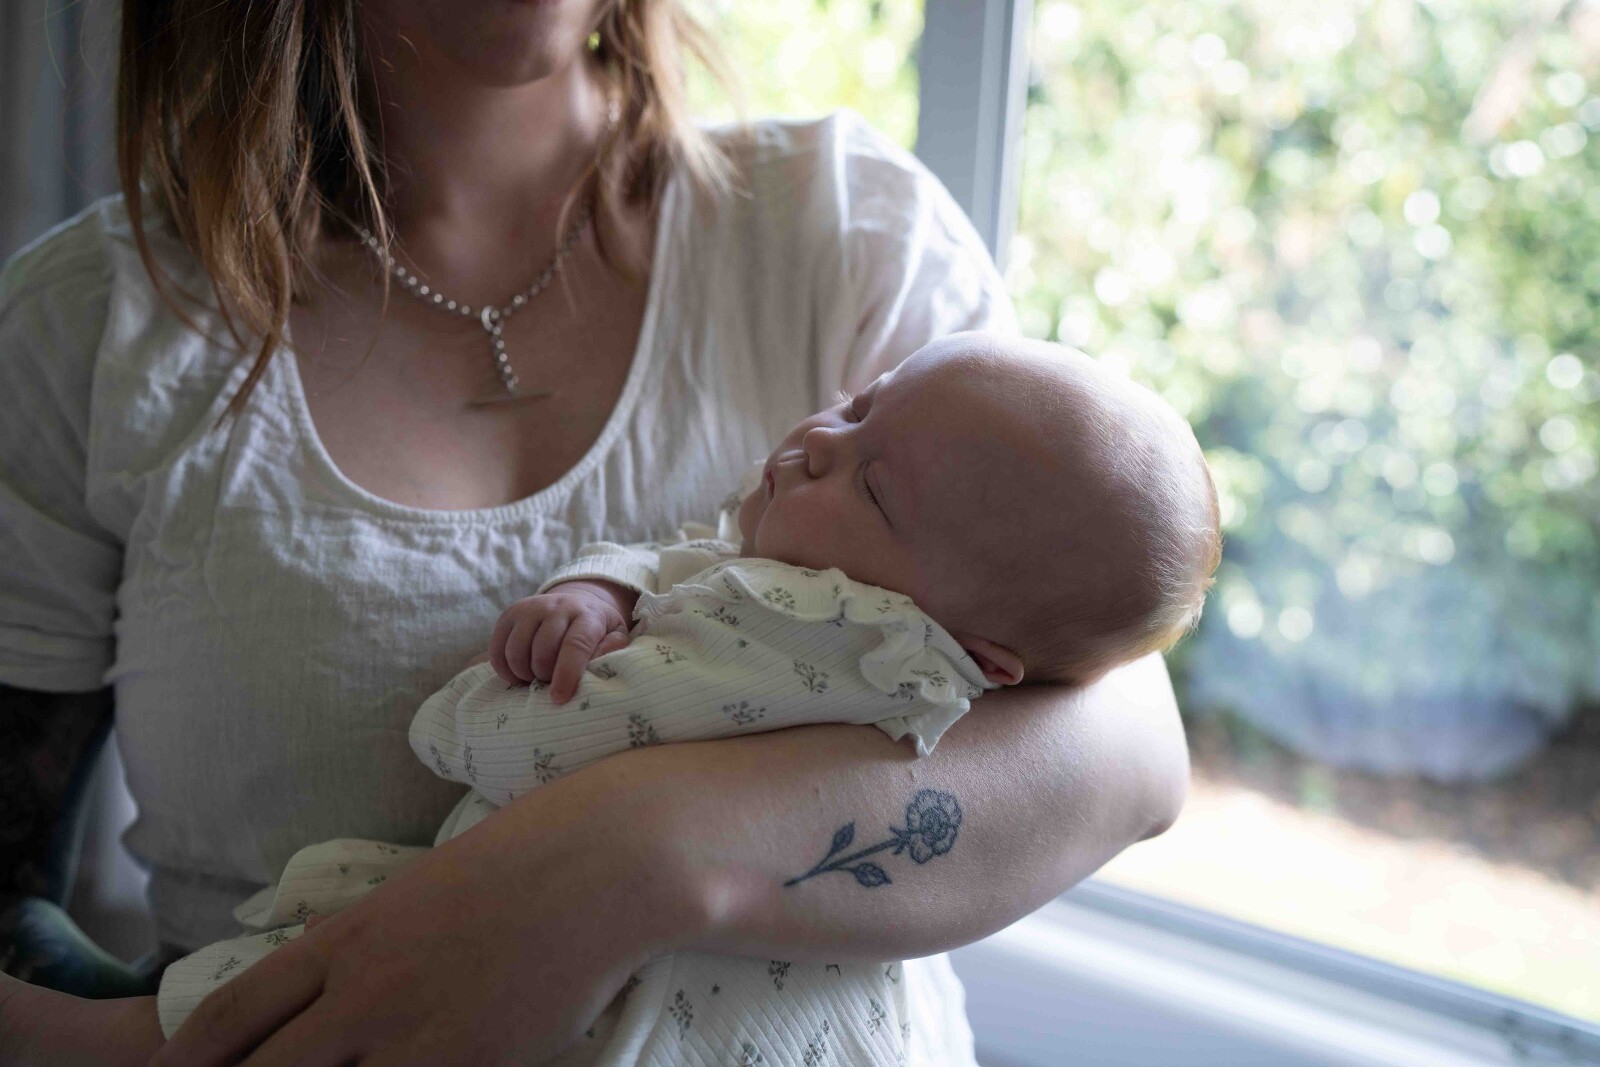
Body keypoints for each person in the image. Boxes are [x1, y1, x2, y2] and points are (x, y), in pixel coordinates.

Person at [0, 1, 1191, 1064]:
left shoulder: (843, 226)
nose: (828, 442)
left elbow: (1130, 748)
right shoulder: (89, 329)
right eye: (846, 417)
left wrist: (623, 861)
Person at [143, 336, 1220, 1061]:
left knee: (250, 1005)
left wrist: (492, 710)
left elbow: (523, 740)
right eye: (857, 405)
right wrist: (605, 586)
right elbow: (696, 553)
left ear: (984, 654)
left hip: (633, 1017)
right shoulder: (898, 604)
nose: (818, 442)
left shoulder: (818, 630)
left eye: (872, 485)